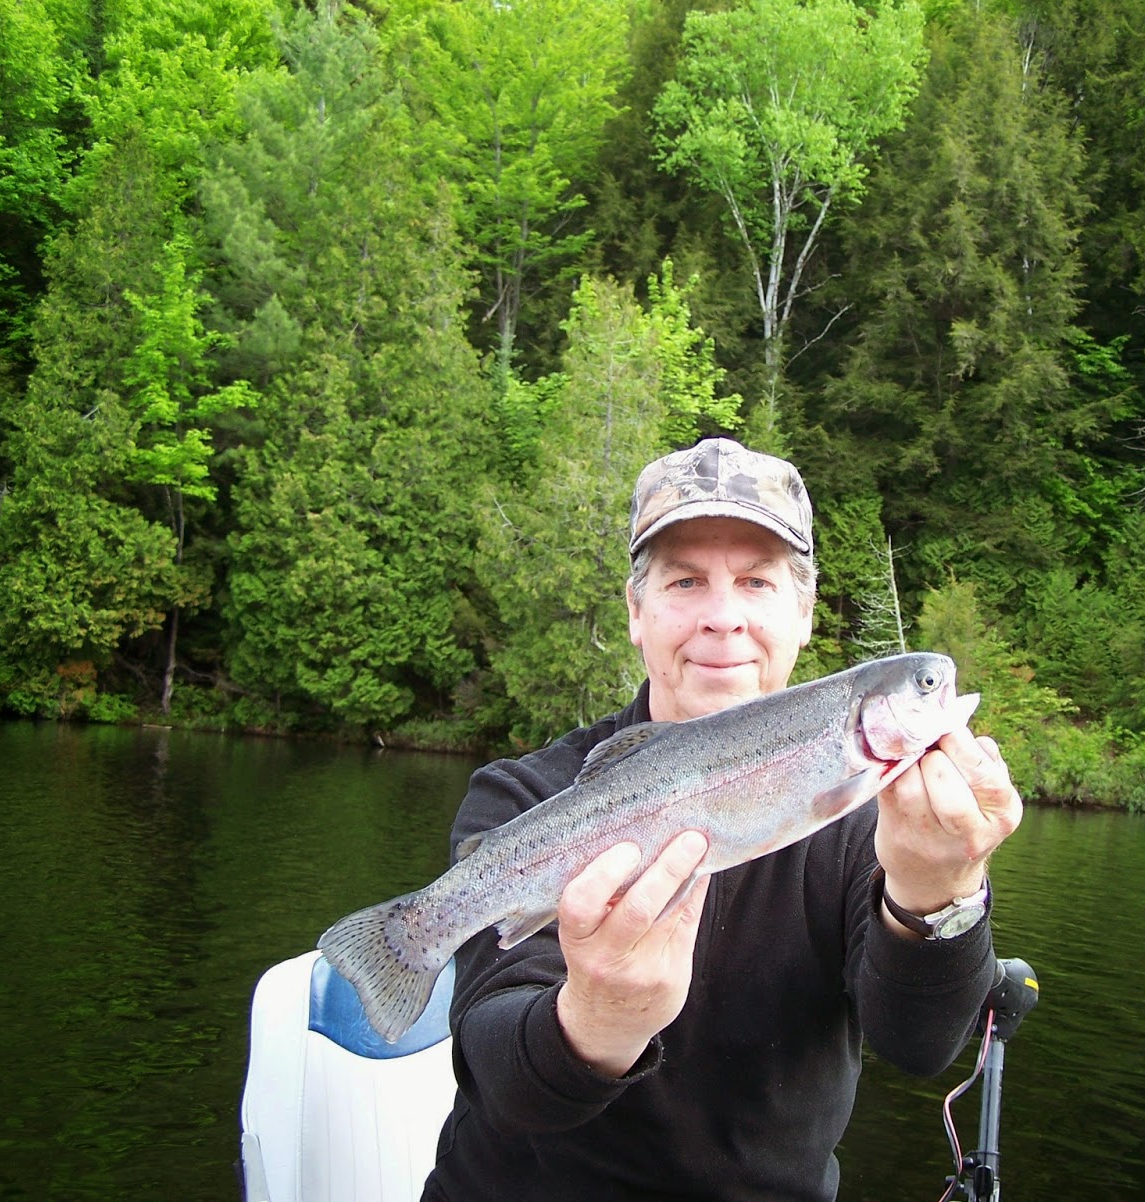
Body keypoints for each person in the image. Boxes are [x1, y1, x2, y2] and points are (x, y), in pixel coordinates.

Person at [421, 437, 1023, 1202]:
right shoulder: (526, 798)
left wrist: (941, 894)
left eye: (755, 582)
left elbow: (920, 1044)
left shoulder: (874, 821)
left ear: (804, 615)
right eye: (684, 581)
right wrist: (596, 1022)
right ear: (637, 613)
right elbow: (500, 1081)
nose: (723, 618)